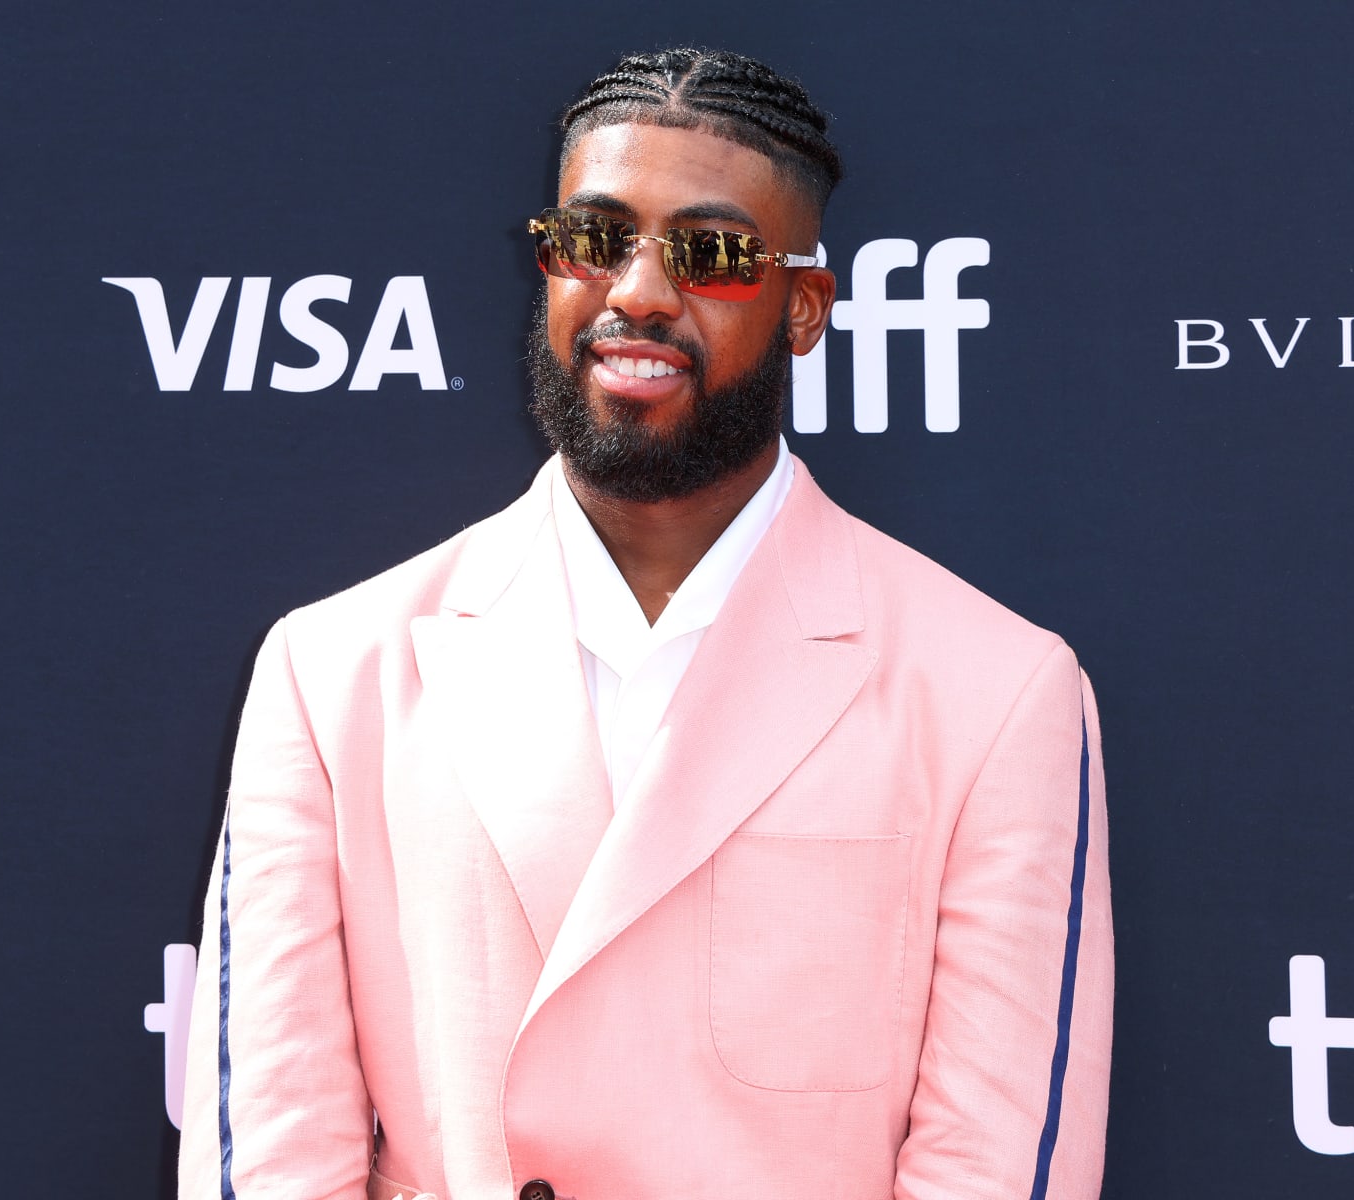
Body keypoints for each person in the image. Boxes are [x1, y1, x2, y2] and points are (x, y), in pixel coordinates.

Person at [178, 46, 1112, 1200]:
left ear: (805, 308)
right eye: (593, 238)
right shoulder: (334, 675)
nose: (637, 292)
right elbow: (270, 1155)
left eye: (711, 254)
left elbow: (997, 1168)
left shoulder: (993, 693)